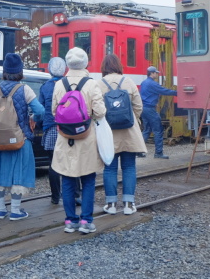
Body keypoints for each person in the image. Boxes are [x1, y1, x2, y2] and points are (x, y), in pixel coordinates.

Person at [0, 53, 44, 220]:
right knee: (19, 172)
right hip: (20, 138)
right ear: (20, 72)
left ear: (4, 71)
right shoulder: (25, 89)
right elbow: (40, 111)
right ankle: (16, 211)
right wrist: (32, 119)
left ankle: (1, 210)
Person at [51, 47, 106, 234]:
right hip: (86, 138)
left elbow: (54, 112)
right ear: (85, 63)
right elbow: (100, 112)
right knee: (88, 180)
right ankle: (86, 222)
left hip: (65, 139)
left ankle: (70, 221)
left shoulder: (60, 84)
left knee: (67, 180)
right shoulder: (92, 84)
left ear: (67, 64)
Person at [99, 54, 146, 215]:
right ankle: (129, 205)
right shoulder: (129, 82)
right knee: (129, 167)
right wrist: (133, 120)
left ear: (104, 67)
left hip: (108, 134)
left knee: (110, 169)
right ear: (119, 66)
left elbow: (95, 110)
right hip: (128, 133)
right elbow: (138, 107)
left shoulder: (98, 84)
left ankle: (111, 205)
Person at [39, 57, 66, 204]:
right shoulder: (68, 84)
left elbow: (41, 110)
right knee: (70, 161)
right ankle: (75, 194)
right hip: (67, 129)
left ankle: (55, 197)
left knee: (53, 164)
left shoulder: (45, 87)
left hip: (50, 128)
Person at [140, 65, 177, 159]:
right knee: (158, 130)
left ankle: (138, 151)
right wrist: (177, 93)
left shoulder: (144, 83)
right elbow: (164, 91)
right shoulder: (153, 84)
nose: (157, 74)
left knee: (147, 129)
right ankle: (158, 153)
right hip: (150, 109)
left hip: (143, 109)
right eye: (156, 73)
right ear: (151, 73)